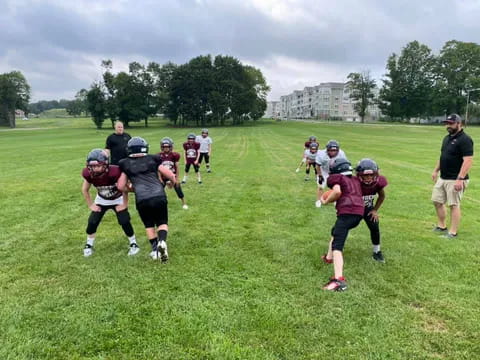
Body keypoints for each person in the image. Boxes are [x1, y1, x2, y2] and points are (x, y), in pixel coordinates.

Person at [117, 137, 177, 262]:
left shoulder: (125, 163)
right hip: (159, 195)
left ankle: (155, 250)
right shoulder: (153, 159)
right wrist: (173, 182)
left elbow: (120, 186)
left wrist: (133, 189)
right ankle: (162, 242)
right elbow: (170, 174)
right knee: (162, 222)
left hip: (142, 199)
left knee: (149, 225)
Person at [81, 149, 139, 257]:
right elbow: (85, 189)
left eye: (98, 165)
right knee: (92, 222)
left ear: (106, 164)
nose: (95, 168)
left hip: (118, 198)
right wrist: (91, 205)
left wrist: (124, 204)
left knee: (124, 220)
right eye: (92, 166)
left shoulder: (115, 172)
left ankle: (133, 243)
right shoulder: (88, 174)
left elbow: (124, 188)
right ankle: (89, 245)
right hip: (102, 199)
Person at [320, 158, 364, 291]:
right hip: (358, 213)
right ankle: (328, 258)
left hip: (347, 212)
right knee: (336, 231)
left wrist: (326, 200)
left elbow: (337, 191)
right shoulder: (355, 180)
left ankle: (338, 280)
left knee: (337, 245)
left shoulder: (336, 178)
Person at [431, 113, 474, 238]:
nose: (448, 125)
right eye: (447, 123)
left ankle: (452, 232)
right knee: (437, 201)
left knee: (453, 205)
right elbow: (443, 156)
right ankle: (442, 226)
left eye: (451, 123)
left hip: (455, 179)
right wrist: (435, 170)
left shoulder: (465, 140)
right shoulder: (446, 138)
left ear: (459, 124)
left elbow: (468, 160)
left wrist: (460, 179)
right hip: (443, 177)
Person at [356, 158, 388, 263]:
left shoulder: (378, 183)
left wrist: (375, 210)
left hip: (368, 209)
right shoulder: (354, 183)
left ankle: (377, 251)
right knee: (343, 227)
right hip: (354, 209)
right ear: (359, 175)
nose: (369, 178)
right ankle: (338, 248)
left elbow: (382, 196)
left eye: (371, 175)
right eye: (365, 175)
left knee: (375, 226)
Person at [155, 137, 188, 210]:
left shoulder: (174, 155)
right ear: (162, 147)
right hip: (163, 177)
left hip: (172, 175)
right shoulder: (159, 156)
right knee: (159, 190)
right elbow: (158, 168)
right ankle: (160, 204)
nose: (166, 148)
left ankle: (184, 203)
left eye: (167, 147)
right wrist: (159, 178)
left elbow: (177, 167)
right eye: (164, 147)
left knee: (178, 188)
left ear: (171, 147)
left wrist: (177, 178)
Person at [314, 140, 347, 208]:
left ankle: (335, 199)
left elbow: (344, 164)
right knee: (321, 186)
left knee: (336, 186)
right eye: (331, 150)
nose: (333, 152)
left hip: (335, 171)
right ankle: (318, 200)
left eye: (334, 150)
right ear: (327, 150)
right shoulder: (321, 154)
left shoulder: (341, 153)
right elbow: (317, 165)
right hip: (324, 170)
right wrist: (320, 175)